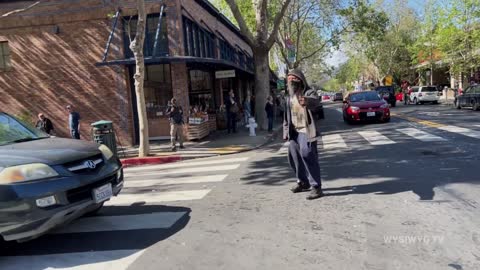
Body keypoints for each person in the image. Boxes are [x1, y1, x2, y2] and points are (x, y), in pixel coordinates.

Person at [284, 69, 324, 200]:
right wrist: (285, 131)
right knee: (293, 156)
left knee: (307, 154)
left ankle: (316, 187)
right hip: (294, 131)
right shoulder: (289, 97)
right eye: (288, 80)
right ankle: (303, 182)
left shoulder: (308, 92)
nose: (290, 83)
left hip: (306, 130)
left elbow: (316, 101)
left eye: (293, 80)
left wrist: (306, 101)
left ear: (300, 81)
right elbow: (286, 116)